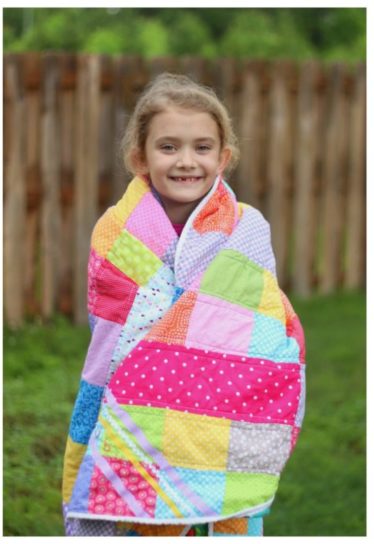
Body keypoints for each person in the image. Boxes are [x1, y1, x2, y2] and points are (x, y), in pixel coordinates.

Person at [62, 74, 305, 537]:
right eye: (168, 147)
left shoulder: (246, 229)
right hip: (130, 393)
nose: (186, 161)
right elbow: (113, 321)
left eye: (202, 148)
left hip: (221, 397)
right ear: (140, 157)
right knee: (137, 516)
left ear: (223, 157)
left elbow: (262, 314)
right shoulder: (116, 232)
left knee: (215, 501)